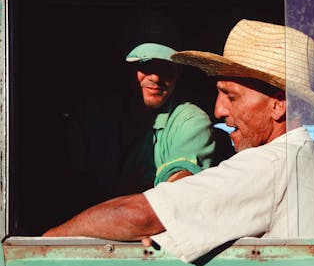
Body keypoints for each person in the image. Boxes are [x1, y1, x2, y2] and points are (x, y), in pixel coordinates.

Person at [45, 19, 314, 264]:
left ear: (278, 105)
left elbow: (141, 214)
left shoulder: (268, 165)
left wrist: (44, 243)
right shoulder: (303, 159)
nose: (218, 110)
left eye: (231, 96)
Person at [66, 23, 216, 205]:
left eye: (166, 67)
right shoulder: (91, 116)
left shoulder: (190, 120)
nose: (156, 77)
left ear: (179, 73)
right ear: (127, 69)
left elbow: (176, 197)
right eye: (146, 65)